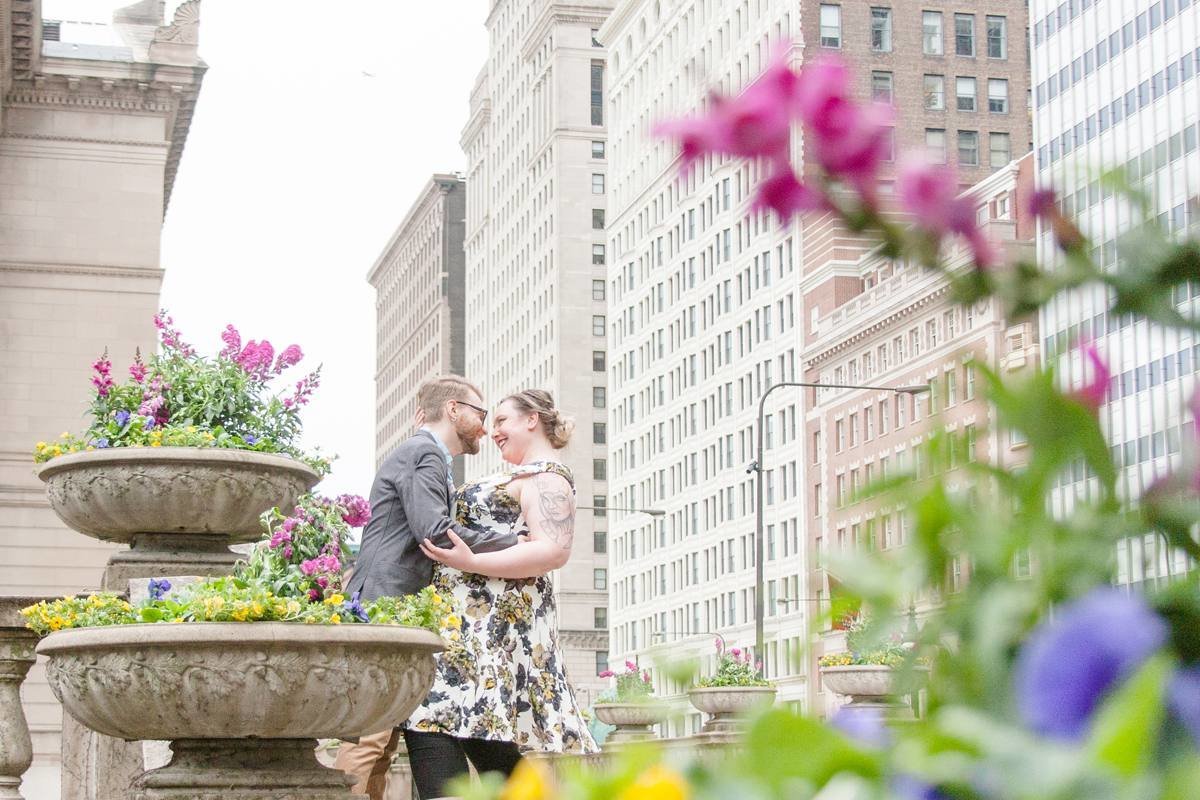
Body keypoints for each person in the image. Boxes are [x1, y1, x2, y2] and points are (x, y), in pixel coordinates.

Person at [406, 389, 599, 800]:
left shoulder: (548, 477)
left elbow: (552, 551)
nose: (493, 432)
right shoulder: (521, 475)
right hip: (466, 622)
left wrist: (470, 561)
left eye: (502, 421)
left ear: (532, 420)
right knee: (472, 725)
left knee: (431, 716)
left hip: (490, 626)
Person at [335, 375, 518, 800]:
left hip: (389, 606)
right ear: (453, 409)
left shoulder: (426, 456)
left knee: (380, 741)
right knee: (370, 738)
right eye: (480, 413)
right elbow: (435, 533)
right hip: (386, 609)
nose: (485, 425)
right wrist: (517, 544)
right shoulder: (423, 454)